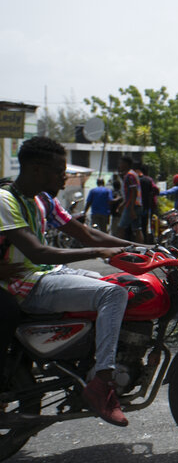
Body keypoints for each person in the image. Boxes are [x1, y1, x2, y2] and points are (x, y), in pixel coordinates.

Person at [0, 137, 132, 426]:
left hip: (46, 274)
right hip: (24, 284)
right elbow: (37, 251)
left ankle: (80, 361)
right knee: (113, 294)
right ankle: (103, 380)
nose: (65, 176)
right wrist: (98, 252)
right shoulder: (5, 200)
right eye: (59, 170)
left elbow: (86, 233)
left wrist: (140, 248)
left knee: (107, 280)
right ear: (36, 170)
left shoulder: (42, 199)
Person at [115, 156, 144, 243]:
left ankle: (118, 248)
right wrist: (122, 204)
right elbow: (129, 194)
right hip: (137, 205)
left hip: (133, 206)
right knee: (137, 228)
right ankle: (142, 247)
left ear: (126, 164)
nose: (119, 165)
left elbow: (133, 192)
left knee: (121, 228)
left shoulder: (129, 175)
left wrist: (131, 209)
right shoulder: (132, 174)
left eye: (121, 163)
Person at [138, 163, 157, 243]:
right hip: (147, 206)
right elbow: (156, 190)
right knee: (145, 224)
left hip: (138, 205)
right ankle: (145, 241)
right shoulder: (149, 179)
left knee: (138, 225)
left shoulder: (136, 179)